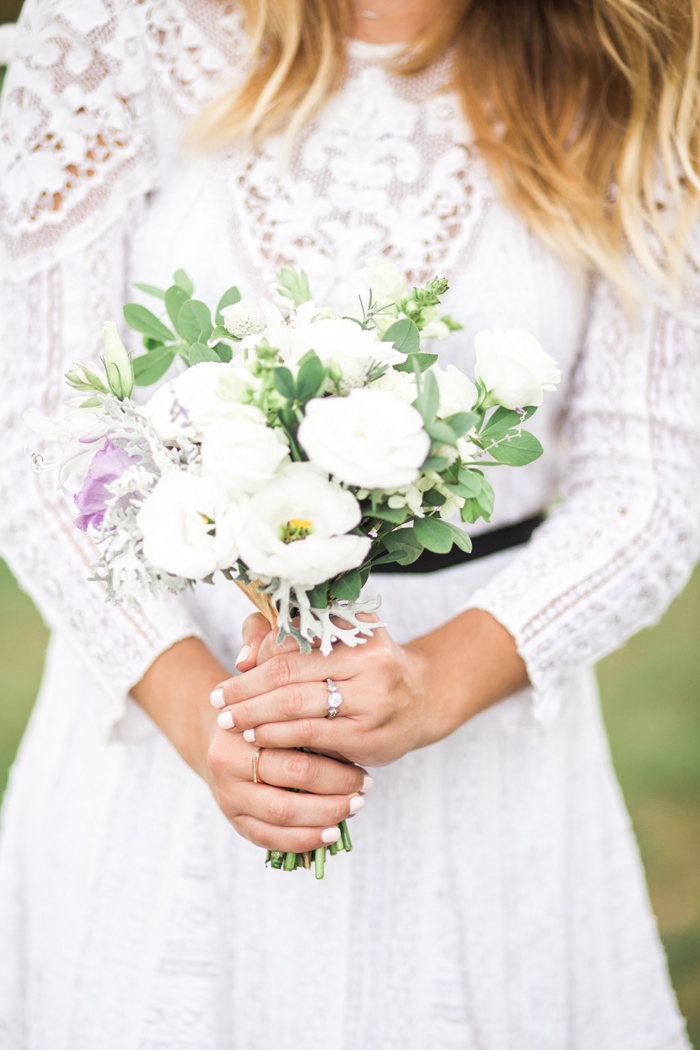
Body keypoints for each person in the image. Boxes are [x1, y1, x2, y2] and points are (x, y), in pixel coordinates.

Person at [0, 0, 698, 1045]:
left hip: (481, 752)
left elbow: (651, 478)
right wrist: (211, 723)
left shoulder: (631, 66)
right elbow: (42, 437)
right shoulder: (115, 28)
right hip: (157, 721)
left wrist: (431, 684)